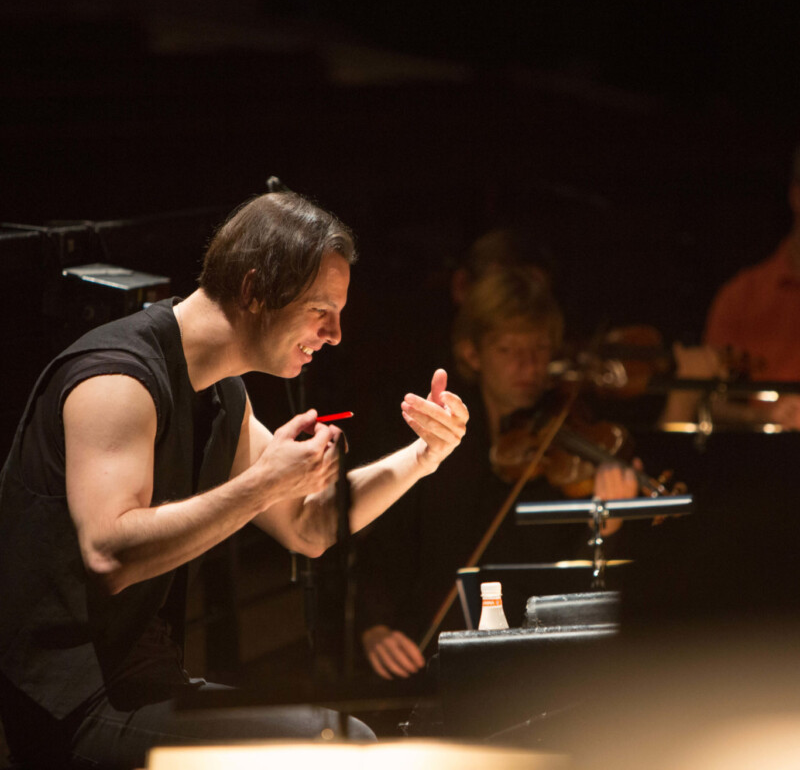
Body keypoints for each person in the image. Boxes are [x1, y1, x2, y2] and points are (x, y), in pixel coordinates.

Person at [0, 180, 469, 769]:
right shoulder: (115, 380)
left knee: (346, 737)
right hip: (66, 703)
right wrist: (265, 481)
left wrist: (424, 456)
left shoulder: (224, 394)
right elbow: (109, 554)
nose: (334, 335)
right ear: (254, 290)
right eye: (319, 311)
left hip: (142, 684)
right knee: (339, 750)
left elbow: (308, 528)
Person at [356, 268, 638, 682]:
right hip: (435, 654)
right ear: (473, 354)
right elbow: (389, 541)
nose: (528, 366)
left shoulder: (571, 439)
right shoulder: (435, 439)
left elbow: (581, 591)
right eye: (508, 350)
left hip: (541, 663)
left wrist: (607, 526)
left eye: (540, 349)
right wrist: (374, 626)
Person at [661, 144, 800, 430]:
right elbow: (709, 400)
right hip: (763, 459)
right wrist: (765, 419)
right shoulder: (742, 295)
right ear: (796, 196)